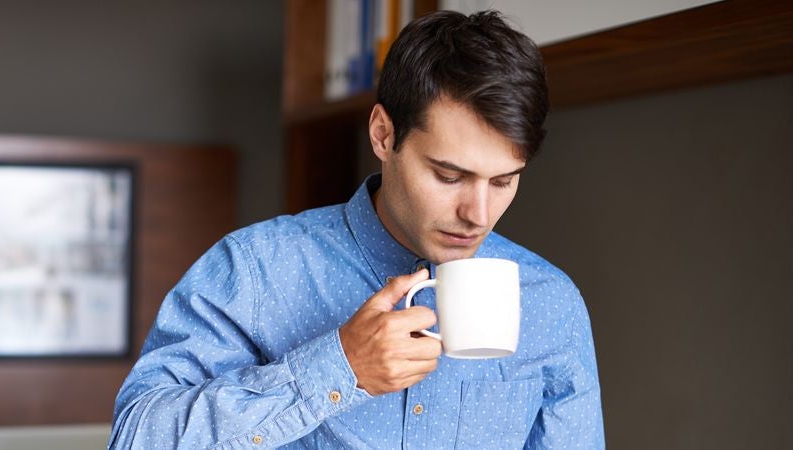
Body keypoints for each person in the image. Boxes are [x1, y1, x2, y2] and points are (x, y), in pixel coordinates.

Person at [108, 10, 604, 449]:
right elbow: (135, 438)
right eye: (449, 176)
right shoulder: (255, 269)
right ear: (383, 135)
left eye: (503, 181)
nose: (477, 213)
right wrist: (338, 367)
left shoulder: (551, 302)